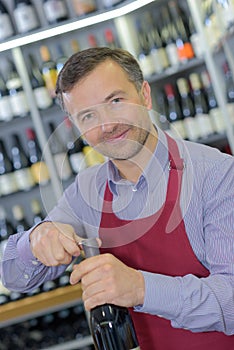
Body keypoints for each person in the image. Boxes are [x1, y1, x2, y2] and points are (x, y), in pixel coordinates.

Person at [1, 47, 234, 349]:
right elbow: (13, 276)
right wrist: (36, 242)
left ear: (145, 96)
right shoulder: (87, 191)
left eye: (115, 101)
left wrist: (140, 288)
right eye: (88, 115)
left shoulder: (216, 174)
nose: (107, 125)